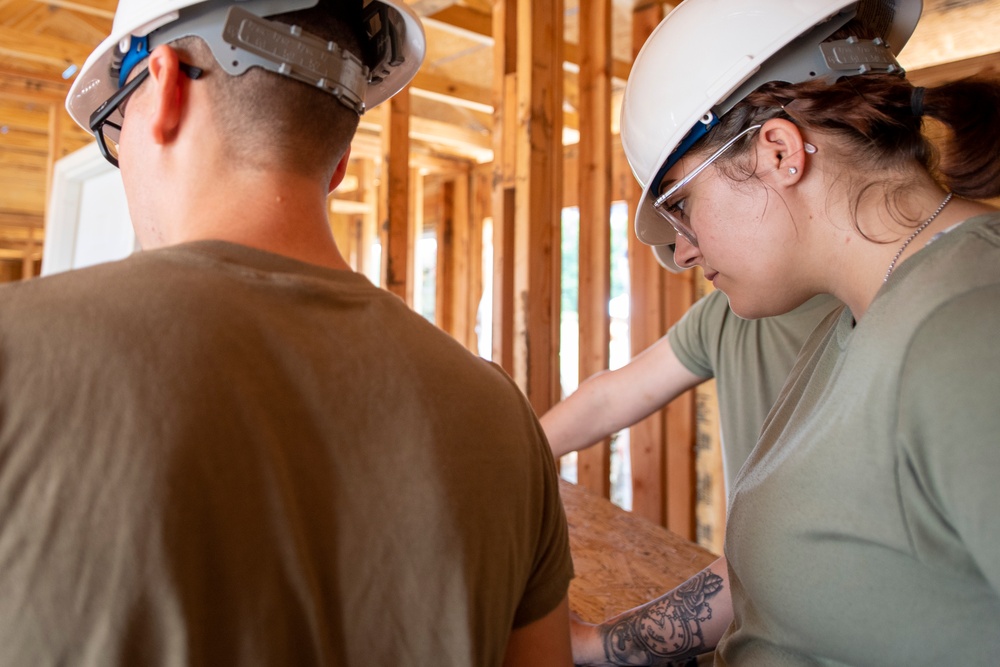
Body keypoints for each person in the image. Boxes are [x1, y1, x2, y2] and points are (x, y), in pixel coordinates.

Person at [0, 0, 574, 664]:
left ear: (163, 86)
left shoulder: (15, 354)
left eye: (111, 127)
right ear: (337, 164)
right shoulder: (504, 419)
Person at [571, 0, 1000, 664]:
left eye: (681, 205)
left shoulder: (968, 329)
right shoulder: (852, 323)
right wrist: (603, 646)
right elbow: (791, 561)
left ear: (777, 152)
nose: (682, 251)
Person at [541, 289, 840, 495]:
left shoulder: (870, 316)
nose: (685, 254)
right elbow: (605, 402)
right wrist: (514, 454)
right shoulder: (720, 314)